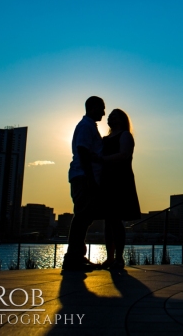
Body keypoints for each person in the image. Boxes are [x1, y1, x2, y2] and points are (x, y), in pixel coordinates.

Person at [63, 96, 106, 271]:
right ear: (93, 107)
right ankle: (73, 257)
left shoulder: (89, 127)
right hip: (83, 177)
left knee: (85, 216)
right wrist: (90, 178)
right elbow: (82, 150)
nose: (104, 112)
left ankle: (77, 255)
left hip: (84, 176)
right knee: (82, 215)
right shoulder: (86, 127)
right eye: (101, 108)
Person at [98, 108, 141, 270]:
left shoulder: (125, 136)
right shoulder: (105, 138)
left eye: (114, 116)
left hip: (120, 179)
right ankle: (110, 257)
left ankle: (119, 258)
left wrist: (102, 159)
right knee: (108, 221)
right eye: (110, 116)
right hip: (107, 180)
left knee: (116, 220)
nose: (111, 118)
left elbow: (124, 155)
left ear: (122, 119)